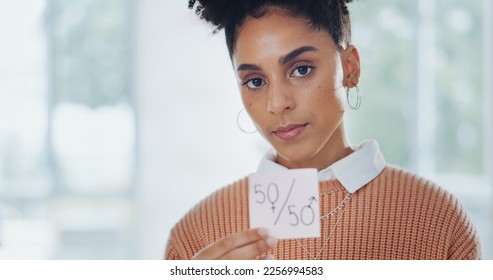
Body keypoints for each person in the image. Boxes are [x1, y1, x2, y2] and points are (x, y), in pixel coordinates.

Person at [165, 0, 481, 260]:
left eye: (301, 69)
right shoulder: (197, 234)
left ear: (351, 68)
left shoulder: (438, 218)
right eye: (255, 82)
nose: (278, 104)